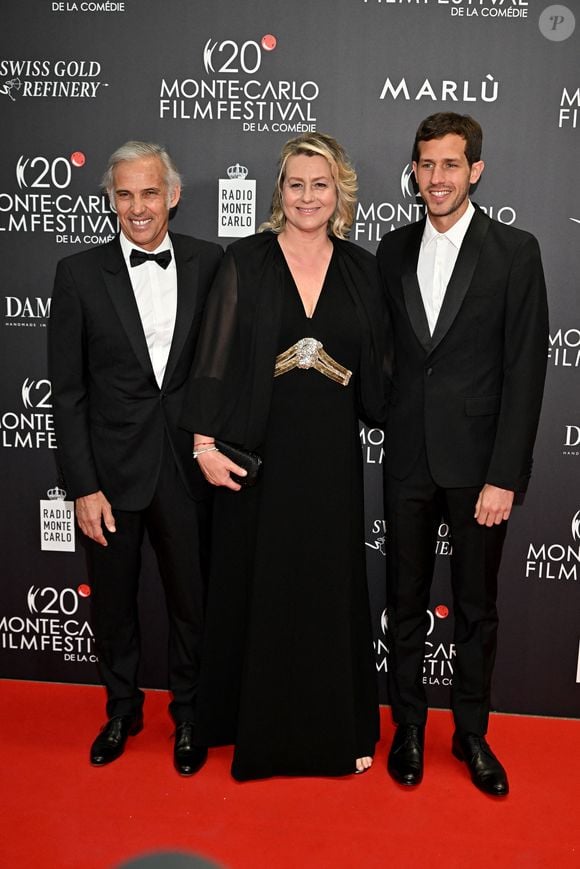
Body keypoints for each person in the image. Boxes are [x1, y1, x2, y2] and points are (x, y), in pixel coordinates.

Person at [181, 133, 389, 781]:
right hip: (257, 455)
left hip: (329, 455)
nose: (307, 196)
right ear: (280, 191)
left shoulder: (362, 267)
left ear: (340, 191)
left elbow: (382, 367)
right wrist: (203, 443)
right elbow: (210, 362)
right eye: (296, 184)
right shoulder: (245, 260)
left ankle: (339, 728)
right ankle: (257, 729)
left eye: (319, 184)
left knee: (327, 586)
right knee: (261, 587)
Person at [377, 113, 549, 796]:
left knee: (477, 606)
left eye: (451, 165)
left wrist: (505, 474)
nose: (437, 178)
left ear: (476, 170)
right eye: (426, 165)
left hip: (480, 471)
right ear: (414, 171)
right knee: (405, 601)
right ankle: (410, 728)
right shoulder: (390, 251)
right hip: (408, 462)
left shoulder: (516, 251)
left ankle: (472, 731)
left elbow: (525, 370)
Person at [48, 141, 223, 774]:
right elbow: (66, 395)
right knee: (114, 603)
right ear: (111, 199)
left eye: (150, 193)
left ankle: (190, 714)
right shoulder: (77, 274)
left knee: (191, 604)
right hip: (111, 476)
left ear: (172, 195)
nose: (137, 207)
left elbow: (223, 372)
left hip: (187, 467)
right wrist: (83, 485)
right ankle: (121, 708)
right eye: (124, 194)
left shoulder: (210, 263)